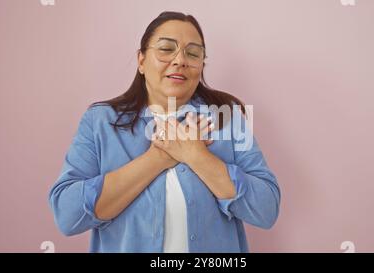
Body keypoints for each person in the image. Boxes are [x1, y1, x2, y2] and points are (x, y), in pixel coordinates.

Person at [49, 11, 281, 253]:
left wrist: (196, 155)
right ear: (141, 60)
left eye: (193, 53)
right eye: (166, 49)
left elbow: (266, 210)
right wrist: (160, 157)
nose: (180, 60)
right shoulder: (100, 121)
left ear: (201, 65)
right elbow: (68, 215)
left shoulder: (227, 117)